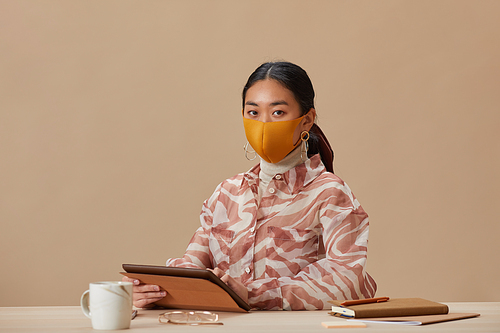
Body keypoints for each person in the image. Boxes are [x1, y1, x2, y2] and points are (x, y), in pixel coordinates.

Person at [123, 61, 377, 310]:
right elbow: (193, 268)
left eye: (278, 112)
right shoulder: (227, 193)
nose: (263, 124)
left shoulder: (330, 193)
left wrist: (254, 293)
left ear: (307, 120)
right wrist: (153, 289)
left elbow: (346, 280)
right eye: (253, 112)